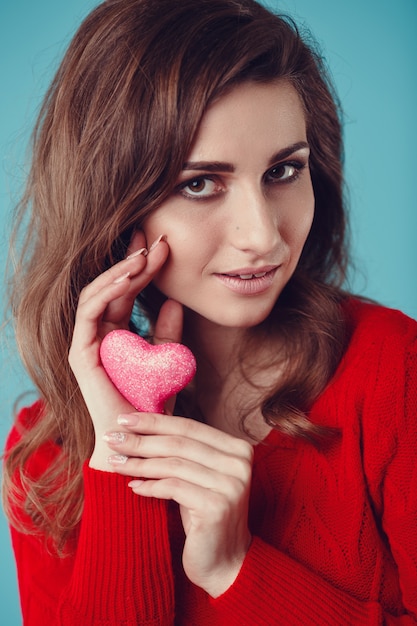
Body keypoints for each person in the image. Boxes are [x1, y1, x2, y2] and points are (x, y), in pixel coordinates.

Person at [2, 0, 416, 623]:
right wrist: (122, 458)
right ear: (116, 204)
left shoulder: (393, 372)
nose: (262, 235)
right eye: (200, 183)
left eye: (284, 170)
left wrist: (239, 571)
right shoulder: (48, 460)